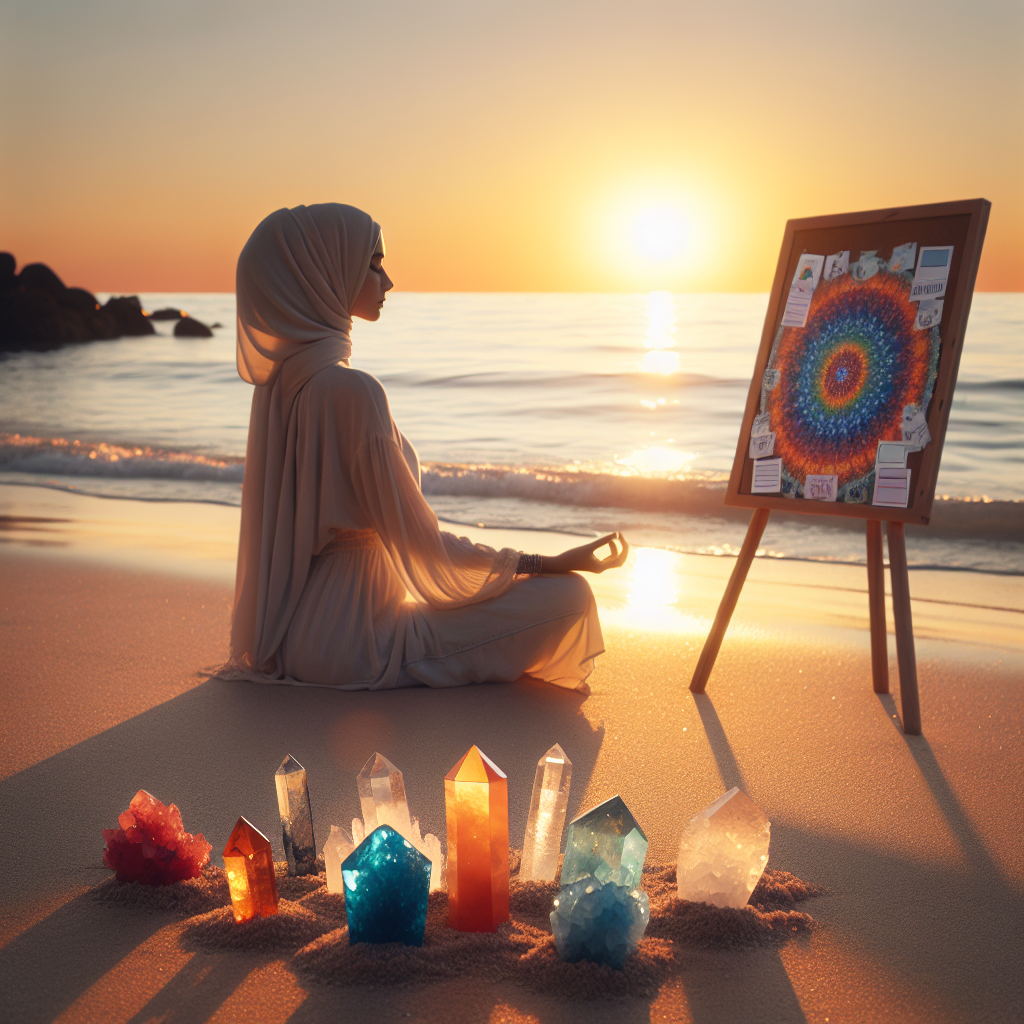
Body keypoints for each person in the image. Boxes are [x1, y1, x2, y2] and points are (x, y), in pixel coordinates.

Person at [226, 202, 627, 695]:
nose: (387, 280)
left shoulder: (284, 388)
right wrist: (546, 563)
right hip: (358, 643)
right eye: (373, 264)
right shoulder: (352, 391)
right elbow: (423, 547)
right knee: (570, 596)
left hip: (297, 637)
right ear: (323, 276)